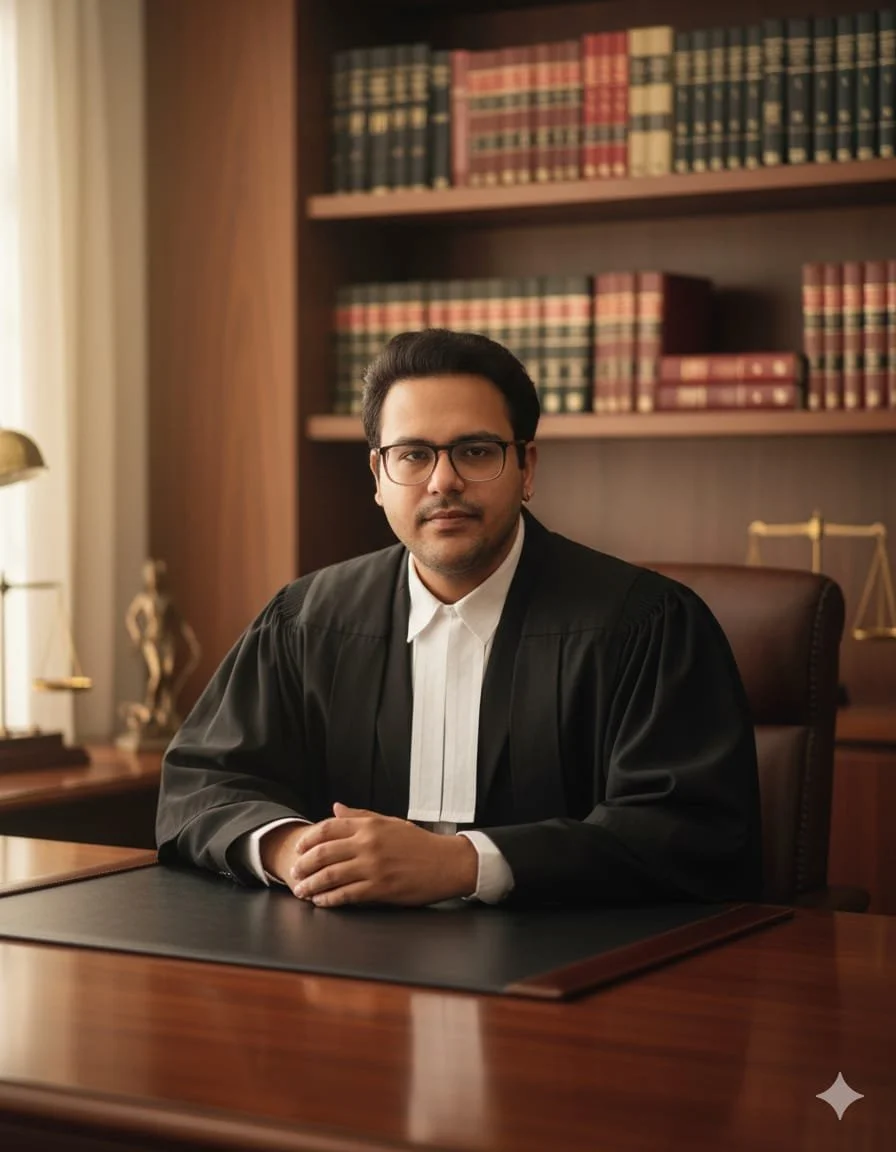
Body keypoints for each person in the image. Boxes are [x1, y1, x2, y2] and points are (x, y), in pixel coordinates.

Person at [156, 329, 762, 909]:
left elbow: (691, 832)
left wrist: (461, 865)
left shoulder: (648, 625)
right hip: (347, 975)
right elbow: (202, 784)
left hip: (577, 976)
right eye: (413, 455)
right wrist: (297, 852)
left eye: (475, 451)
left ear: (526, 467)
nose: (443, 481)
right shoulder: (304, 621)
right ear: (378, 477)